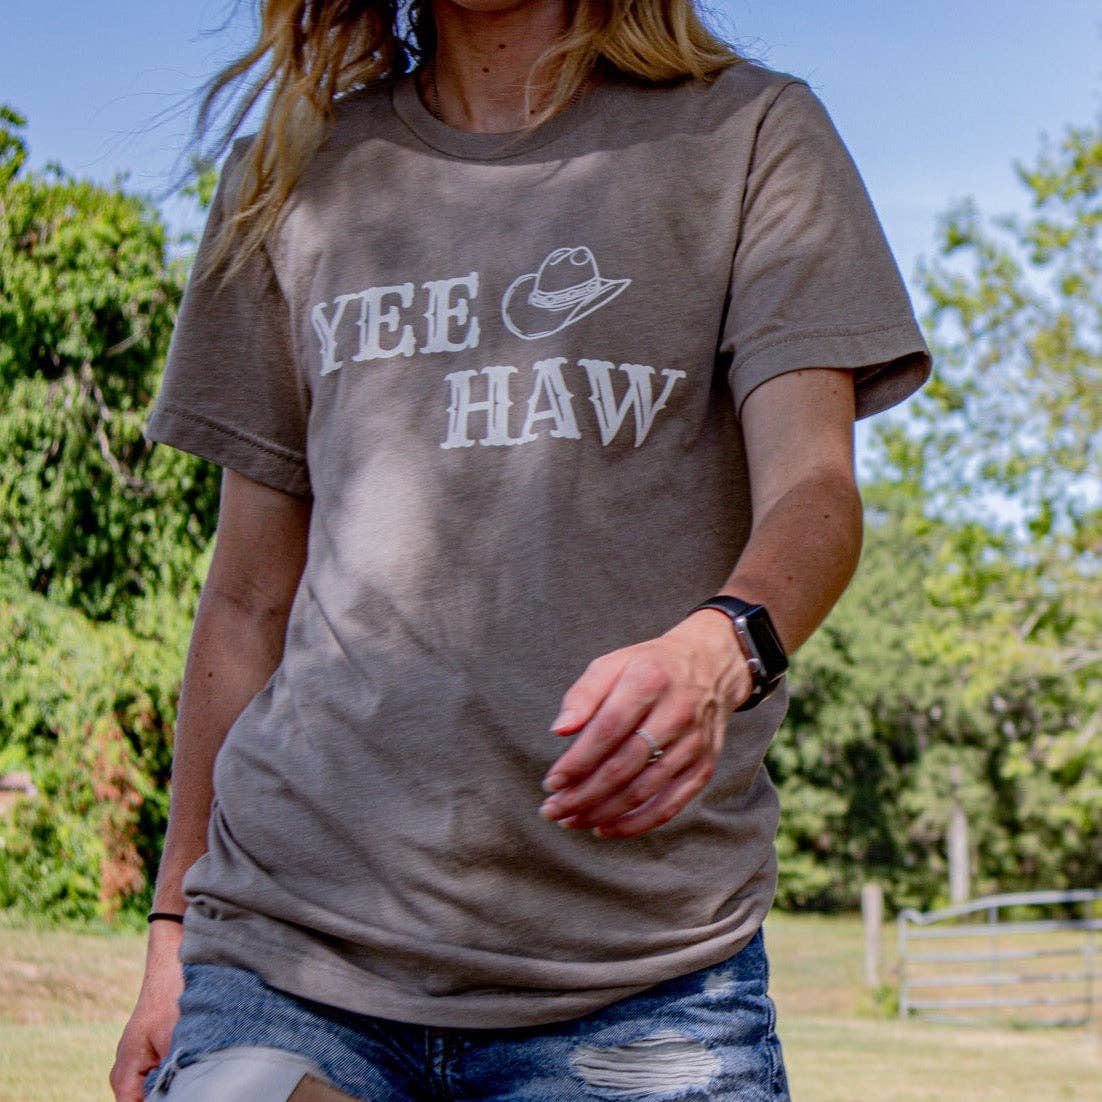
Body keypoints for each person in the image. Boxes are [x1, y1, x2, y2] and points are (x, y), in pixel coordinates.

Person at [111, 1, 931, 1099]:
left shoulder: (749, 134)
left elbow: (816, 491)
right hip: (287, 950)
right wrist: (172, 927)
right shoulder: (290, 173)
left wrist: (719, 646)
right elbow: (247, 598)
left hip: (640, 977)